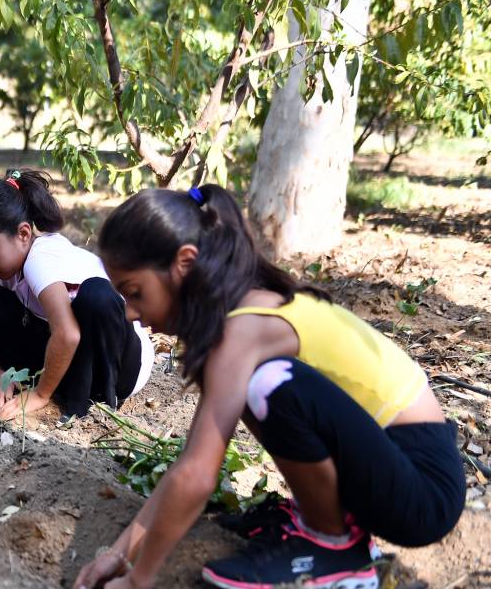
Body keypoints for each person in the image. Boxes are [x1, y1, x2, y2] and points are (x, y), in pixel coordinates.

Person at [74, 185, 463, 589]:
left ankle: (333, 547)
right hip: (392, 468)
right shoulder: (239, 315)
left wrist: (139, 581)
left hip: (423, 490)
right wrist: (118, 555)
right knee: (259, 386)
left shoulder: (243, 329)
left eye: (135, 293)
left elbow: (198, 475)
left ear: (184, 263)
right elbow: (191, 463)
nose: (132, 314)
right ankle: (323, 525)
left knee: (268, 384)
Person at [0, 169, 153, 422]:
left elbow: (68, 334)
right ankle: (64, 388)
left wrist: (40, 394)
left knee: (96, 295)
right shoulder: (9, 269)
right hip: (75, 360)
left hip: (118, 367)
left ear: (24, 234)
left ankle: (91, 401)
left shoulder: (39, 260)